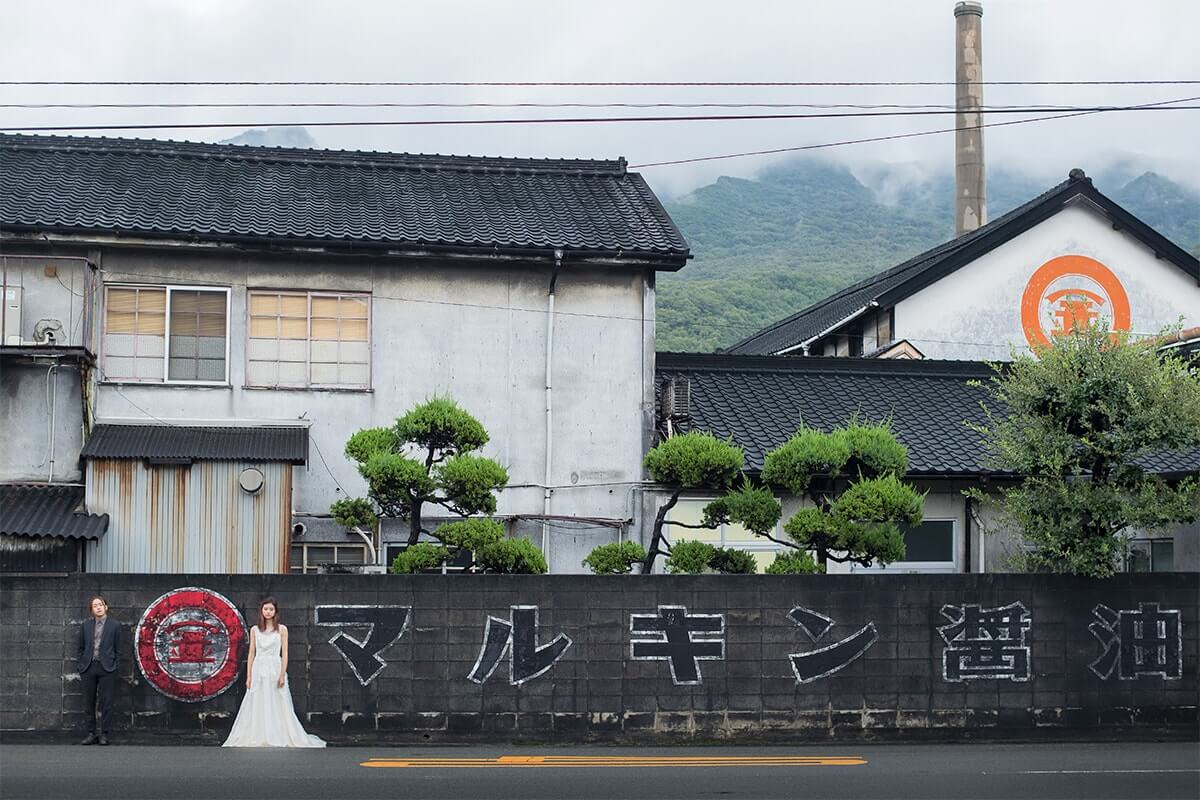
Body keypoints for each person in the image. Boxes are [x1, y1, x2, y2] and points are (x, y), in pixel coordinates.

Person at [222, 597, 324, 748]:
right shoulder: (255, 630)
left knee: (278, 701)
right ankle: (258, 734)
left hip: (275, 667)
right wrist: (249, 676)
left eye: (271, 609)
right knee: (257, 700)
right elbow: (251, 654)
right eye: (265, 609)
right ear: (261, 611)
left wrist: (282, 674)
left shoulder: (282, 629)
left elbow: (285, 653)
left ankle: (278, 733)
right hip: (259, 668)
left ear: (275, 611)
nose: (268, 612)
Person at [76, 595, 123, 745]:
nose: (98, 607)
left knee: (106, 702)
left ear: (106, 607)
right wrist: (81, 664)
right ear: (92, 610)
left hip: (107, 668)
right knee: (88, 702)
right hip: (88, 667)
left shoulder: (115, 625)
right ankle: (90, 733)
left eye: (100, 604)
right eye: (95, 605)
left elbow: (119, 649)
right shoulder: (85, 626)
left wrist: (115, 666)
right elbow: (80, 648)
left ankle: (104, 734)